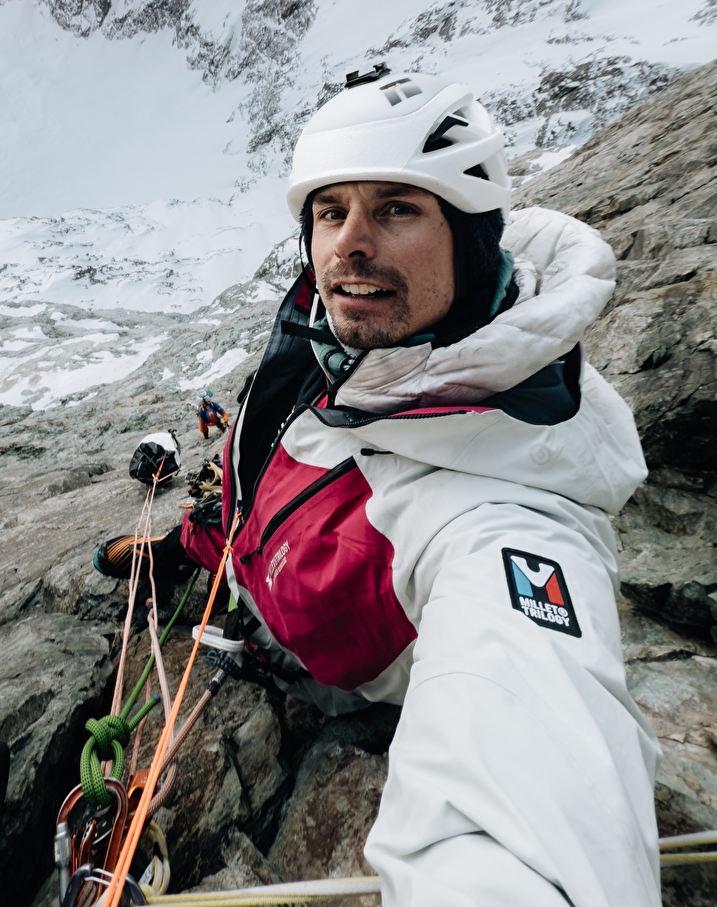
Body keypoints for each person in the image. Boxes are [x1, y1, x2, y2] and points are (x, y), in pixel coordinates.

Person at [96, 68, 661, 907]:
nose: (348, 244)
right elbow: (267, 469)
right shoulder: (340, 341)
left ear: (470, 239)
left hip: (323, 662)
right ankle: (190, 549)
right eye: (331, 212)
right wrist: (205, 538)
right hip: (258, 557)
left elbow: (524, 772)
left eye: (395, 207)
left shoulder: (507, 520)